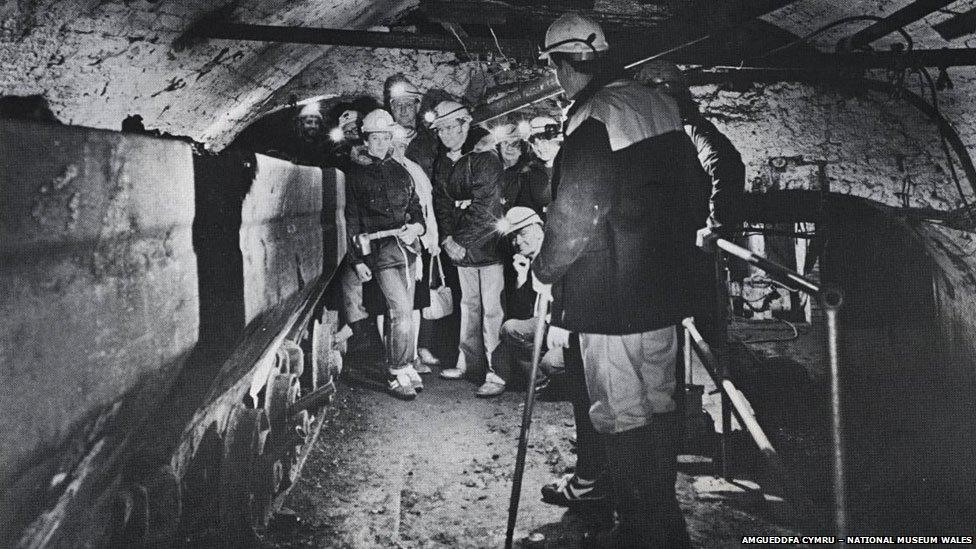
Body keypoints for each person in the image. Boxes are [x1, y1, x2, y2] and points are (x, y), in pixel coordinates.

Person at [533, 12, 709, 548]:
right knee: (658, 404)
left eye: (556, 68)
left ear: (568, 65)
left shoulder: (594, 115)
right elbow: (696, 195)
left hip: (611, 298)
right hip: (660, 294)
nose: (557, 80)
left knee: (619, 412)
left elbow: (574, 213)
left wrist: (545, 272)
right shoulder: (659, 106)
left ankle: (639, 530)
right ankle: (664, 522)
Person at [339, 109, 427, 401]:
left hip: (407, 249)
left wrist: (416, 227)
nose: (380, 142)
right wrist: (357, 260)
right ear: (366, 138)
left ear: (391, 138)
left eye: (385, 137)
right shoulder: (357, 175)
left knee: (407, 309)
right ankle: (396, 370)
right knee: (400, 310)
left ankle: (407, 361)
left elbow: (415, 207)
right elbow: (352, 220)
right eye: (374, 137)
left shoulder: (400, 170)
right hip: (380, 251)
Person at [429, 100, 505, 386]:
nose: (446, 134)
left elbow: (486, 206)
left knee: (492, 309)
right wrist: (448, 238)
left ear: (465, 125)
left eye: (451, 127)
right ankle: (469, 363)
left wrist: (459, 239)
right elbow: (442, 202)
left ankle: (496, 371)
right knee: (469, 305)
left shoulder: (485, 157)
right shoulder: (443, 161)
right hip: (459, 247)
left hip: (487, 245)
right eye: (441, 130)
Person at [479, 207, 568, 399]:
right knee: (510, 329)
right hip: (546, 325)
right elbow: (522, 315)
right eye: (514, 237)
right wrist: (522, 278)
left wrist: (561, 325)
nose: (518, 242)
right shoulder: (529, 261)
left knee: (551, 362)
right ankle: (539, 380)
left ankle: (566, 382)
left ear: (538, 230)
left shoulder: (558, 254)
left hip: (569, 328)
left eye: (523, 234)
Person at [390, 124, 440, 374]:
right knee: (392, 306)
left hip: (417, 244)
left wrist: (432, 237)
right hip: (391, 245)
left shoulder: (415, 169)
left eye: (402, 143)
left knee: (417, 302)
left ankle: (413, 353)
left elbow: (427, 206)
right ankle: (395, 356)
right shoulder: (380, 170)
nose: (398, 147)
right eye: (394, 142)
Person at [384, 75, 441, 179]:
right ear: (392, 108)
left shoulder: (433, 139)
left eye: (409, 105)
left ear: (417, 107)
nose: (403, 110)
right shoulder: (382, 138)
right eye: (398, 105)